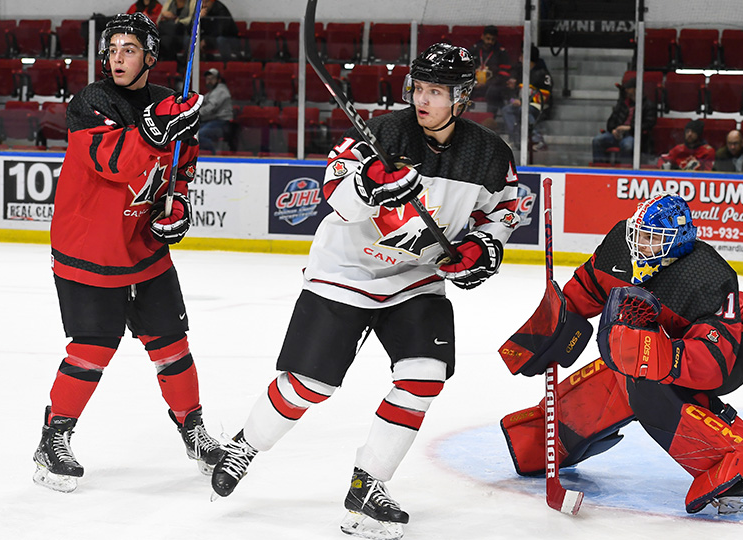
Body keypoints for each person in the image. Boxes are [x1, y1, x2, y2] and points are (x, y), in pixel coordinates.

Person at [210, 43, 520, 539]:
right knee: (311, 385)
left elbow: (503, 209)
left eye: (436, 91)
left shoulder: (489, 153)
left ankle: (368, 483)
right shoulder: (383, 134)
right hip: (346, 270)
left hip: (417, 277)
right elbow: (334, 193)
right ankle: (245, 444)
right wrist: (367, 183)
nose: (422, 99)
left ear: (461, 98)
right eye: (418, 88)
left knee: (425, 374)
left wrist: (482, 247)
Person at [32, 12, 223, 494]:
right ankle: (53, 438)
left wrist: (177, 199)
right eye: (113, 49)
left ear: (150, 57)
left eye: (129, 49)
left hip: (144, 248)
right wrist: (158, 128)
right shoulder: (90, 102)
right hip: (88, 249)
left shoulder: (164, 102)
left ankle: (193, 431)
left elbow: (183, 160)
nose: (117, 57)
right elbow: (111, 162)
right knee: (92, 350)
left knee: (172, 345)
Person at [500, 194, 743, 515]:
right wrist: (554, 324)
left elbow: (712, 365)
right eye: (640, 234)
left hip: (726, 351)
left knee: (650, 387)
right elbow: (587, 289)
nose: (640, 244)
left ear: (678, 241)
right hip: (665, 336)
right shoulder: (621, 247)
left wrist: (653, 354)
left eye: (653, 238)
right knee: (624, 377)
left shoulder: (708, 278)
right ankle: (549, 441)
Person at [591, 76, 657, 163]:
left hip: (633, 135)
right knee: (597, 141)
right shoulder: (622, 103)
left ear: (636, 89)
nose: (626, 90)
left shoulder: (648, 105)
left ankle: (624, 169)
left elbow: (649, 124)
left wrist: (629, 128)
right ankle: (601, 169)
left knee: (627, 145)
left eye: (629, 88)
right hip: (616, 135)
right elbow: (611, 121)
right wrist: (613, 130)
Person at [500, 45, 552, 151]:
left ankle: (538, 139)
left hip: (538, 107)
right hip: (522, 106)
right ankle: (516, 140)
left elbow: (545, 95)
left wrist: (523, 102)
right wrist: (513, 100)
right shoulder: (520, 73)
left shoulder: (543, 74)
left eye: (522, 56)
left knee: (523, 110)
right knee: (507, 110)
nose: (520, 58)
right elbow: (511, 93)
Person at [468, 25, 513, 113]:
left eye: (493, 40)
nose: (490, 42)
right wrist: (474, 82)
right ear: (482, 37)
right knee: (464, 88)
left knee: (494, 91)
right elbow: (467, 69)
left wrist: (487, 83)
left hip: (492, 85)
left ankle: (490, 118)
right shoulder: (474, 49)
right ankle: (465, 116)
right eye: (488, 39)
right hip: (475, 83)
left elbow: (504, 75)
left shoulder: (501, 52)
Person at [198, 67, 233, 153]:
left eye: (212, 79)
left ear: (218, 80)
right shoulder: (212, 92)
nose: (209, 81)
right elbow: (202, 101)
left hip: (222, 123)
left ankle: (213, 154)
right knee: (191, 133)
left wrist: (196, 113)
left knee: (199, 135)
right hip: (212, 121)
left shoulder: (221, 90)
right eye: (207, 79)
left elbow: (211, 106)